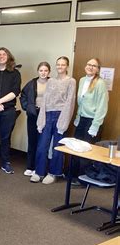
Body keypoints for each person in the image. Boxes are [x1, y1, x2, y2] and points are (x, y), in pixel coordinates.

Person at [30, 56, 76, 184]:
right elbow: (45, 101)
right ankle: (39, 172)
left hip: (61, 115)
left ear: (67, 66)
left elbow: (70, 102)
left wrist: (63, 123)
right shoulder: (51, 81)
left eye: (63, 64)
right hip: (48, 115)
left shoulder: (71, 81)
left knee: (57, 147)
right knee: (42, 146)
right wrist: (41, 121)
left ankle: (53, 173)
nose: (60, 67)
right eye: (58, 64)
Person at [71, 58, 109, 184]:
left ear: (98, 69)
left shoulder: (100, 83)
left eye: (94, 65)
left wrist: (95, 126)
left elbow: (102, 106)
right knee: (76, 148)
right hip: (82, 119)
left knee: (87, 151)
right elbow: (81, 103)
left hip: (93, 121)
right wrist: (77, 118)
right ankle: (74, 175)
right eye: (89, 64)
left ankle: (84, 179)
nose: (90, 67)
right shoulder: (82, 80)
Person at [20, 62, 51, 177]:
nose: (43, 73)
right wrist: (27, 107)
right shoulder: (32, 83)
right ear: (38, 71)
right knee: (32, 141)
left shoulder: (52, 83)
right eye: (41, 70)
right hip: (33, 114)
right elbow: (22, 95)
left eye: (45, 71)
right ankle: (30, 166)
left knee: (42, 142)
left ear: (49, 72)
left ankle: (40, 166)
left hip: (46, 115)